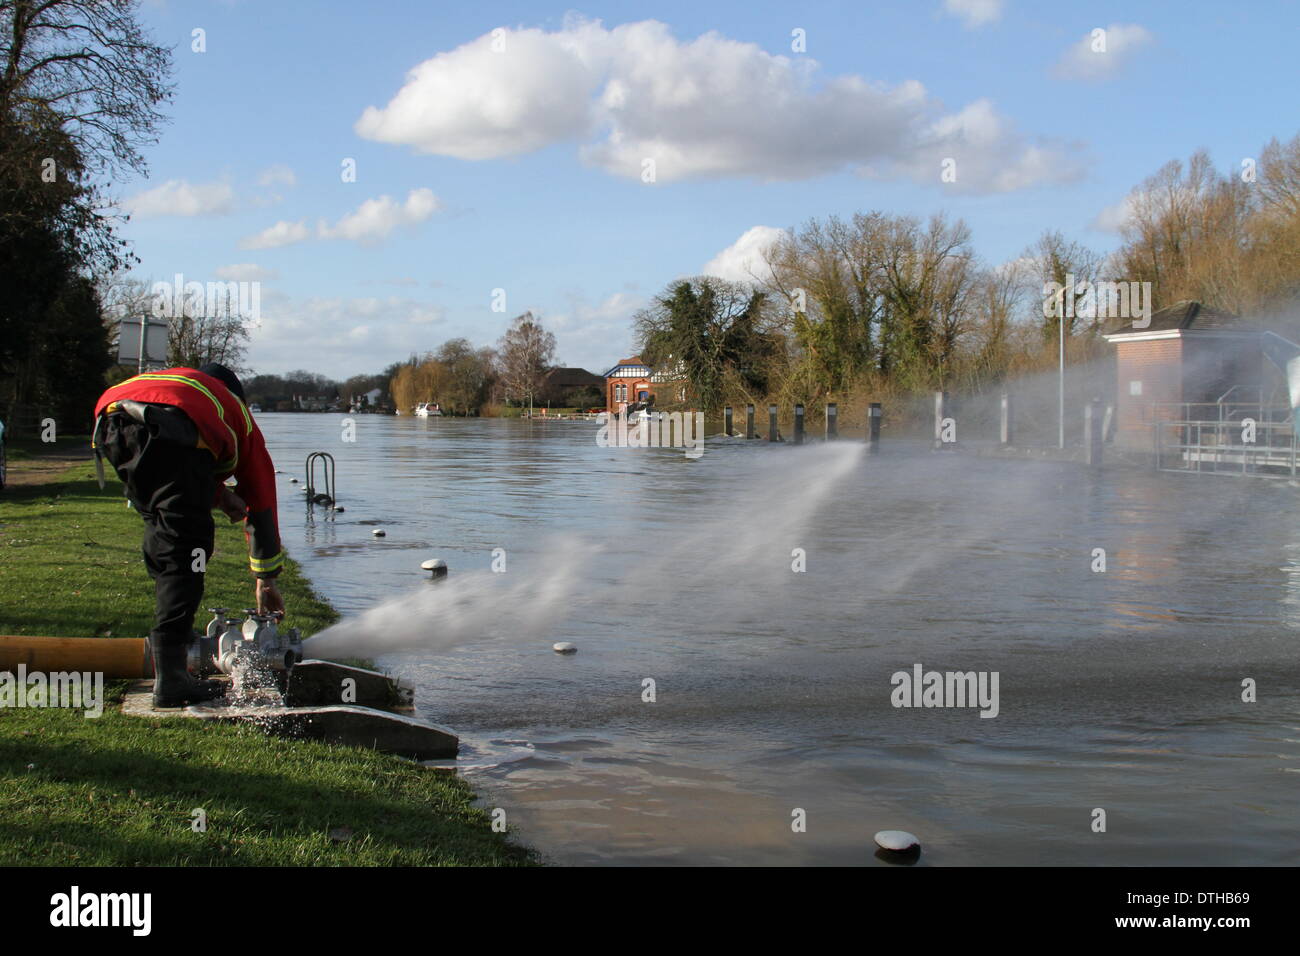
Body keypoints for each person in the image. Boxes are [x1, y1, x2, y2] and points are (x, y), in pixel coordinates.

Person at [92, 364, 285, 706]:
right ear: (235, 395)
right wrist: (265, 578)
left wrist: (217, 494)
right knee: (188, 552)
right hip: (169, 432)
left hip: (112, 422)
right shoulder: (234, 409)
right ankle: (172, 680)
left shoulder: (181, 385)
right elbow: (262, 501)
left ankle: (171, 649)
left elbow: (176, 465)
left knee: (164, 532)